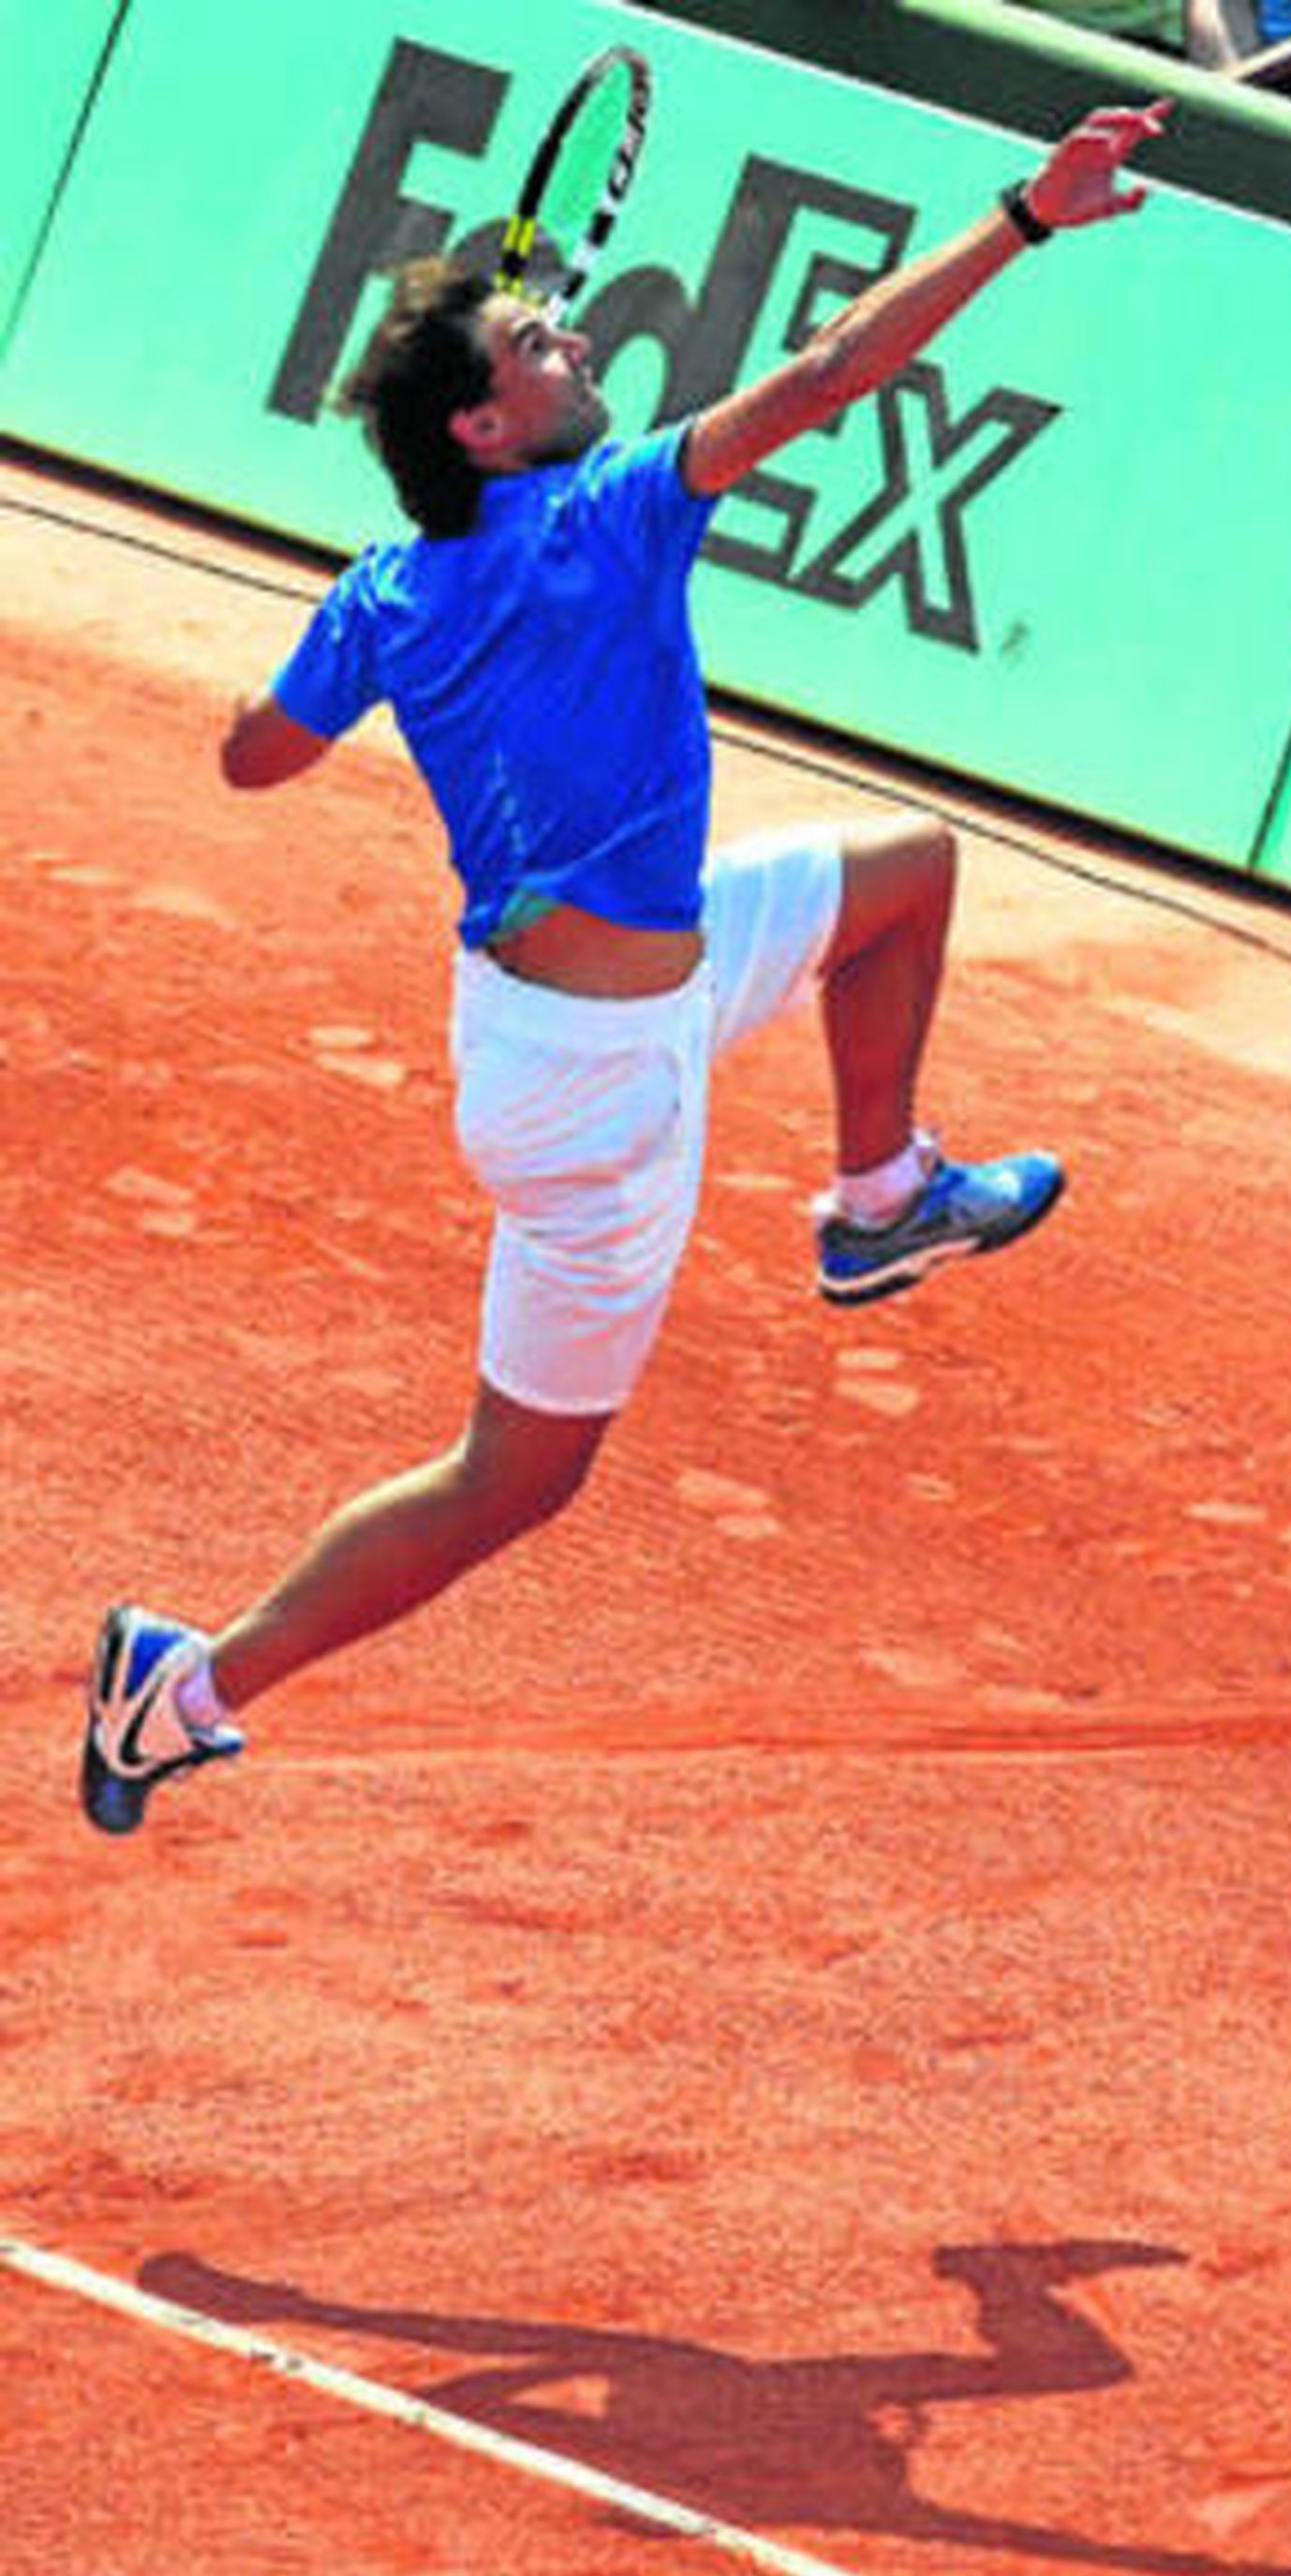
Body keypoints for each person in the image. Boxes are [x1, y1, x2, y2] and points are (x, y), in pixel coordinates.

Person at [81, 97, 1172, 1836]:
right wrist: (1027, 219)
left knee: (901, 869)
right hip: (597, 1100)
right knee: (517, 1482)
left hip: (592, 1000)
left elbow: (252, 760)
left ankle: (880, 1189)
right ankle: (187, 1686)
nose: (575, 337)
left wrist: (391, 628)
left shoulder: (388, 586)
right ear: (485, 419)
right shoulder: (607, 512)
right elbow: (824, 374)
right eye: (537, 338)